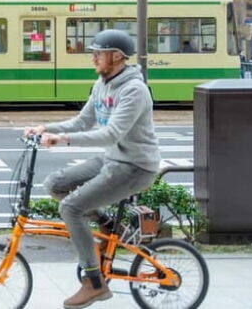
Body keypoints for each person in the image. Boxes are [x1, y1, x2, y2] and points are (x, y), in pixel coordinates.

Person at [23, 29, 160, 309]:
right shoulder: (101, 84)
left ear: (117, 56)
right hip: (112, 159)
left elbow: (111, 134)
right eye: (93, 53)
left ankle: (94, 283)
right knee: (55, 184)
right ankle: (110, 225)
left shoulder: (134, 90)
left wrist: (63, 140)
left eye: (98, 53)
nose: (93, 58)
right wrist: (45, 128)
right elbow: (83, 121)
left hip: (135, 166)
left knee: (71, 208)